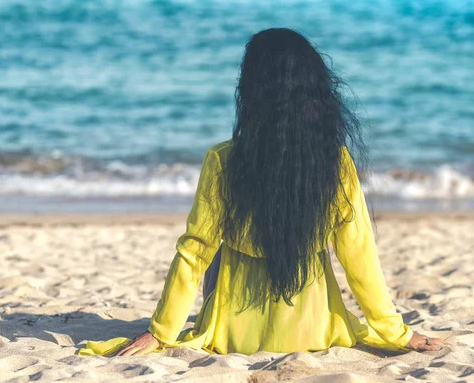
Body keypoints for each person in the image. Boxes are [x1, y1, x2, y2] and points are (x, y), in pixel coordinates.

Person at [79, 28, 448, 357]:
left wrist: (159, 333)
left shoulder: (223, 159)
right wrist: (397, 333)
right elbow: (358, 253)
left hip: (233, 333)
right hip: (314, 329)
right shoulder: (336, 161)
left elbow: (194, 252)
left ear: (252, 89)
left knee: (218, 247)